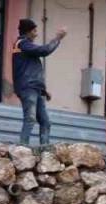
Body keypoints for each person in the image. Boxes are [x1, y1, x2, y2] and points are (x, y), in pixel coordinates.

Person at [12, 18, 66, 147]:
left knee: (45, 122)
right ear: (28, 31)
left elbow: (31, 70)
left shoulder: (26, 47)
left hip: (35, 88)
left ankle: (45, 150)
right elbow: (44, 51)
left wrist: (43, 90)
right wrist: (57, 38)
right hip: (28, 88)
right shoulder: (22, 44)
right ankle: (22, 147)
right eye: (34, 30)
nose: (36, 34)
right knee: (30, 118)